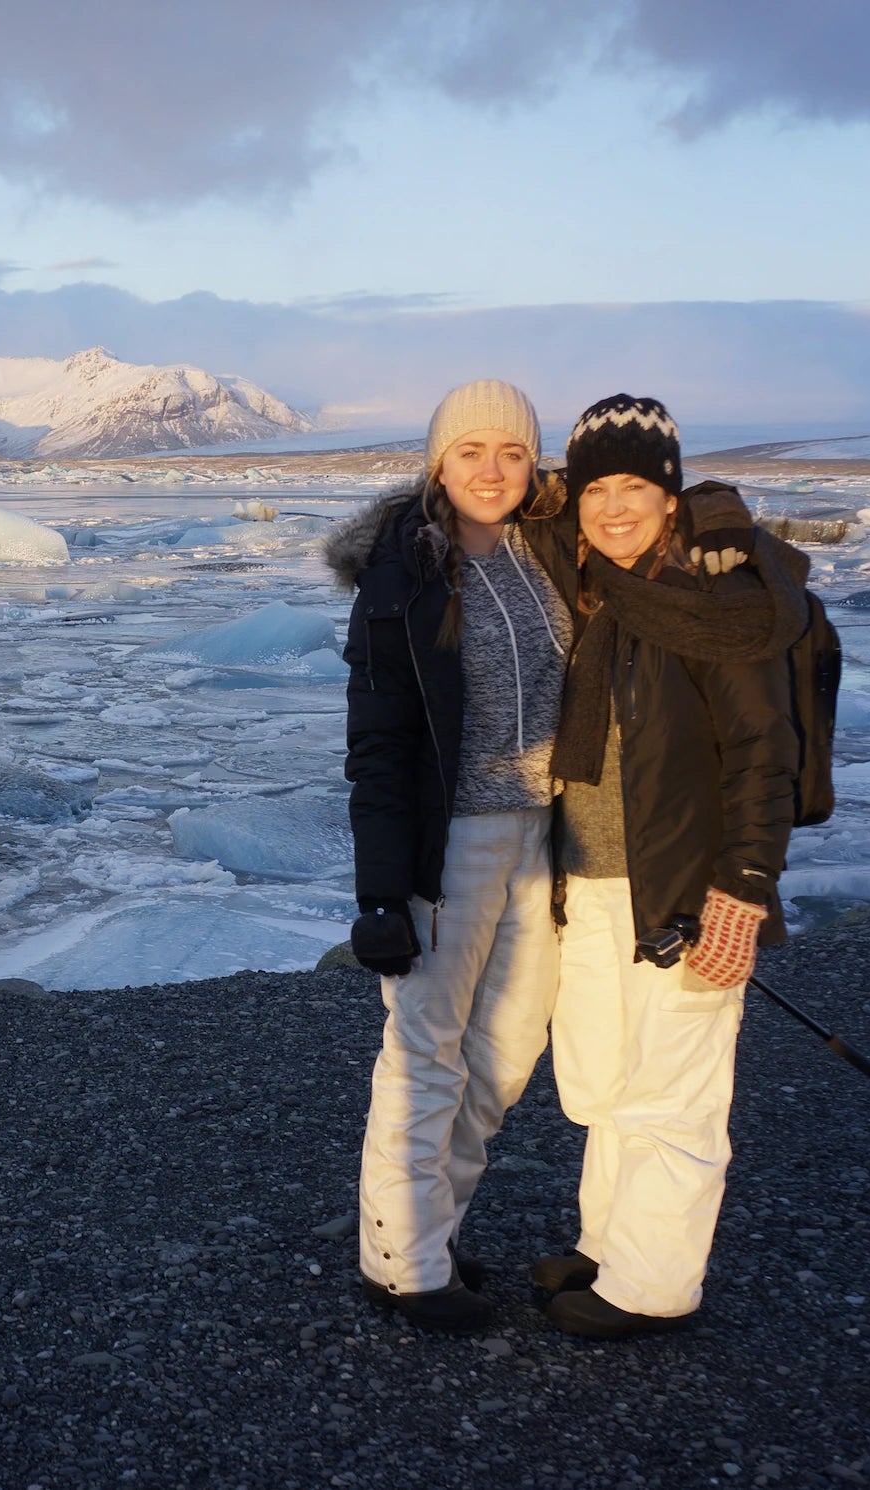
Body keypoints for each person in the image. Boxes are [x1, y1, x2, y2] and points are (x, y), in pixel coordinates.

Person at [536, 394, 806, 1338]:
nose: (614, 507)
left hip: (687, 888)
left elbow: (765, 752)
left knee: (677, 1089)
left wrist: (745, 887)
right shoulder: (594, 588)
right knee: (609, 1079)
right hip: (596, 880)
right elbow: (493, 500)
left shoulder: (719, 599)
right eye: (596, 487)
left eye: (638, 487)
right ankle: (612, 1245)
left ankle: (655, 1287)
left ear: (669, 496)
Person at [327, 380, 577, 1334]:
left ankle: (433, 1226)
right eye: (470, 451)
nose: (491, 470)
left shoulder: (549, 553)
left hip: (541, 836)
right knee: (425, 1052)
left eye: (511, 453)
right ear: (439, 463)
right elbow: (379, 744)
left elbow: (653, 514)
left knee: (508, 1052)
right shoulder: (404, 578)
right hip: (452, 844)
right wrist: (383, 892)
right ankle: (401, 1262)